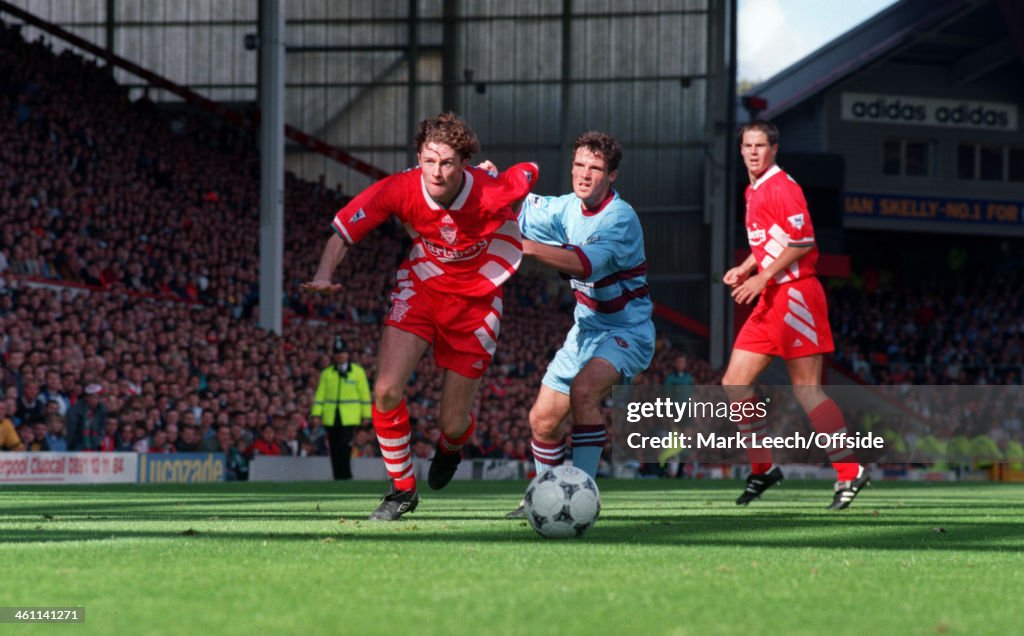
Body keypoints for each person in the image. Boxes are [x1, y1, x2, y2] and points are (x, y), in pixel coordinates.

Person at [303, 112, 538, 521]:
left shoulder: (489, 190)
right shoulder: (400, 188)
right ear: (418, 157)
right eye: (429, 160)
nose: (437, 171)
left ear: (463, 163)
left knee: (452, 422)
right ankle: (402, 490)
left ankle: (450, 447)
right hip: (422, 289)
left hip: (477, 303)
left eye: (447, 162)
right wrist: (324, 273)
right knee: (386, 391)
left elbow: (529, 172)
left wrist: (496, 173)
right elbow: (344, 230)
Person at [499, 131, 654, 517]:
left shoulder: (620, 217)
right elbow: (516, 208)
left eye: (596, 168)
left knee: (585, 390)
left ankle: (581, 498)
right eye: (580, 165)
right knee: (542, 420)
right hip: (584, 331)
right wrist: (488, 180)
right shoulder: (565, 207)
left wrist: (529, 248)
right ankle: (546, 497)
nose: (585, 174)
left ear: (612, 175)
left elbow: (586, 264)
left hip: (626, 331)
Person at [722, 120, 869, 510]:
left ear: (774, 149)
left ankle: (849, 470)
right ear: (741, 151)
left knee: (806, 389)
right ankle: (764, 468)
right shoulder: (753, 189)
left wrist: (763, 276)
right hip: (770, 295)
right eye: (747, 146)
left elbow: (803, 241)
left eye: (760, 145)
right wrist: (748, 268)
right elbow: (775, 239)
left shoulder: (784, 187)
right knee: (734, 384)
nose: (753, 152)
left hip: (796, 295)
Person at [310, 335, 371, 479]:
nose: (340, 356)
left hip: (350, 417)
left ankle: (346, 475)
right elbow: (320, 395)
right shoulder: (327, 373)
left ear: (348, 354)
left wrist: (366, 415)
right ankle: (337, 476)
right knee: (334, 447)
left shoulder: (357, 372)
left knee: (345, 446)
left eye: (342, 352)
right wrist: (316, 414)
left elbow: (365, 395)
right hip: (331, 416)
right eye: (337, 353)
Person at [64, 383, 108, 451]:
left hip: (95, 447)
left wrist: (97, 443)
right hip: (77, 448)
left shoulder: (102, 410)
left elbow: (101, 429)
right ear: (87, 398)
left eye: (100, 397)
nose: (99, 400)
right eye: (96, 397)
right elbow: (71, 433)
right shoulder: (74, 411)